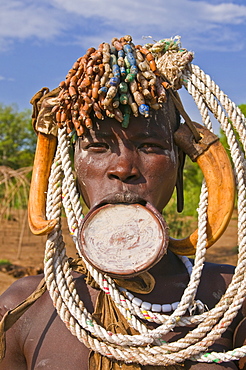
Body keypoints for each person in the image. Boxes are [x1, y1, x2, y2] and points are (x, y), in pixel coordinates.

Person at [0, 35, 246, 370]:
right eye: (98, 146)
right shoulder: (22, 308)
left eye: (149, 146)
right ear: (70, 168)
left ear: (181, 164)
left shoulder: (232, 299)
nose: (123, 169)